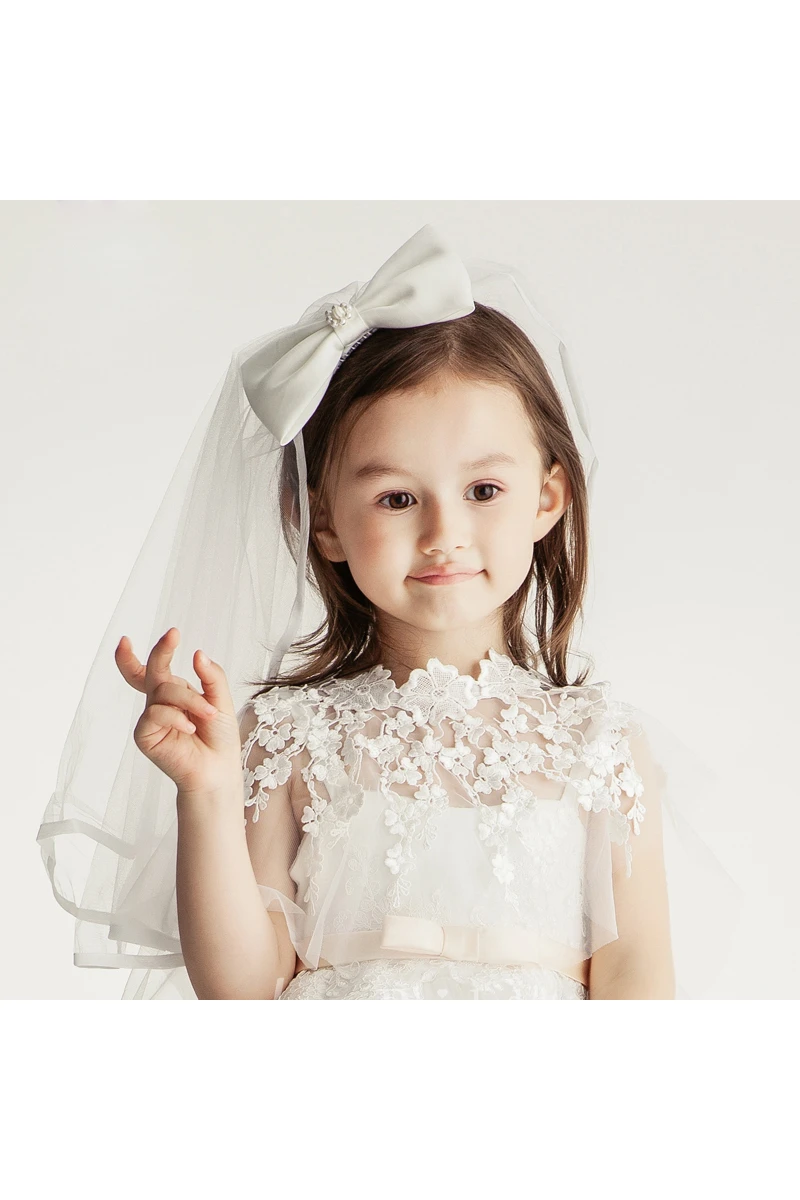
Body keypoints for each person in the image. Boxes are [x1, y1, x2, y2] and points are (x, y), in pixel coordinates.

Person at [37, 223, 742, 1000]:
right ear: (325, 522)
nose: (444, 534)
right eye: (397, 498)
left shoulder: (601, 746)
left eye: (483, 491)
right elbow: (242, 987)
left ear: (548, 496)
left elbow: (638, 976)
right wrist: (205, 795)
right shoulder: (287, 739)